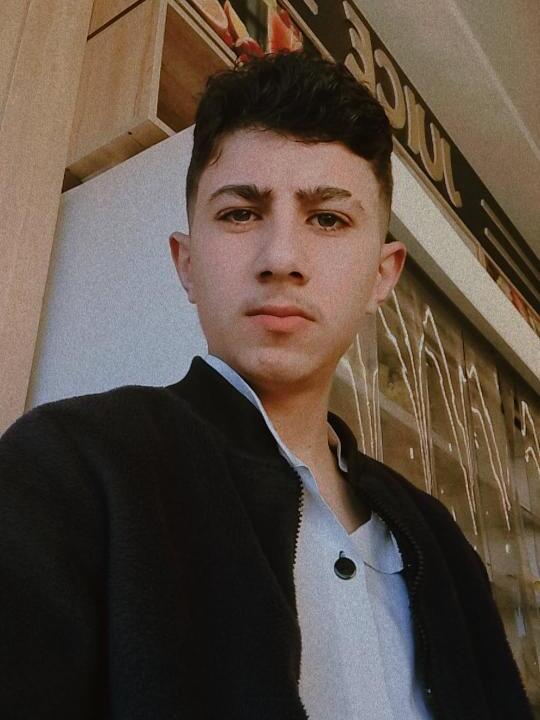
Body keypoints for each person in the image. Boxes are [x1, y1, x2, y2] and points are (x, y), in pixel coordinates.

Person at [0, 50, 533, 720]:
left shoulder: (441, 541)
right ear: (187, 264)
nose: (281, 258)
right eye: (240, 213)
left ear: (382, 275)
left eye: (328, 218)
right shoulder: (70, 466)